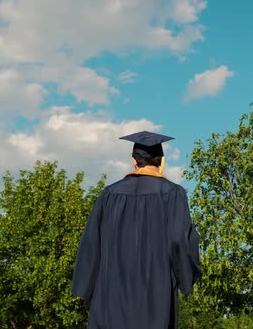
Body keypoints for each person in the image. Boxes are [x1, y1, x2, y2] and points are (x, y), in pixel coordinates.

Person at [72, 130, 202, 329]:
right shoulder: (173, 194)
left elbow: (91, 243)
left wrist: (86, 287)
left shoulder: (109, 195)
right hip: (156, 297)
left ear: (134, 161)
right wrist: (185, 279)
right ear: (161, 161)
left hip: (110, 296)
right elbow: (179, 240)